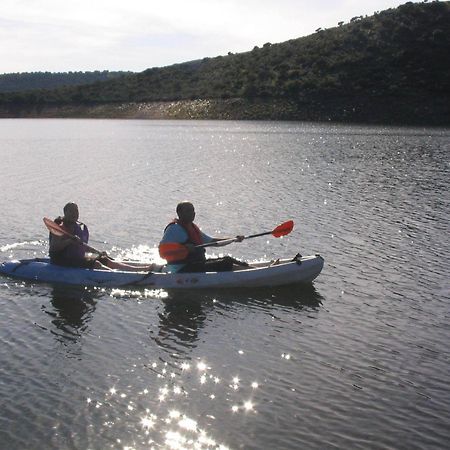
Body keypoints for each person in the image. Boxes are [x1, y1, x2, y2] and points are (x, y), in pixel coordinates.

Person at [49, 202, 154, 271]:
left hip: (74, 257)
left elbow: (81, 248)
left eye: (76, 211)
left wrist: (97, 253)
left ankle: (141, 270)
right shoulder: (60, 227)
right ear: (65, 213)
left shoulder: (76, 227)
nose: (74, 213)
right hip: (61, 260)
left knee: (103, 258)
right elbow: (54, 247)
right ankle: (118, 276)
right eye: (71, 211)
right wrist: (69, 241)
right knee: (97, 264)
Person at [159, 201, 247, 273]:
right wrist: (184, 248)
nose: (192, 213)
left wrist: (234, 239)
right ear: (179, 213)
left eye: (193, 210)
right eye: (188, 211)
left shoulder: (192, 227)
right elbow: (163, 252)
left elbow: (214, 242)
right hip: (181, 269)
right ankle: (249, 272)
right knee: (226, 262)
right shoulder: (174, 229)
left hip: (196, 265)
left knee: (227, 259)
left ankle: (248, 268)